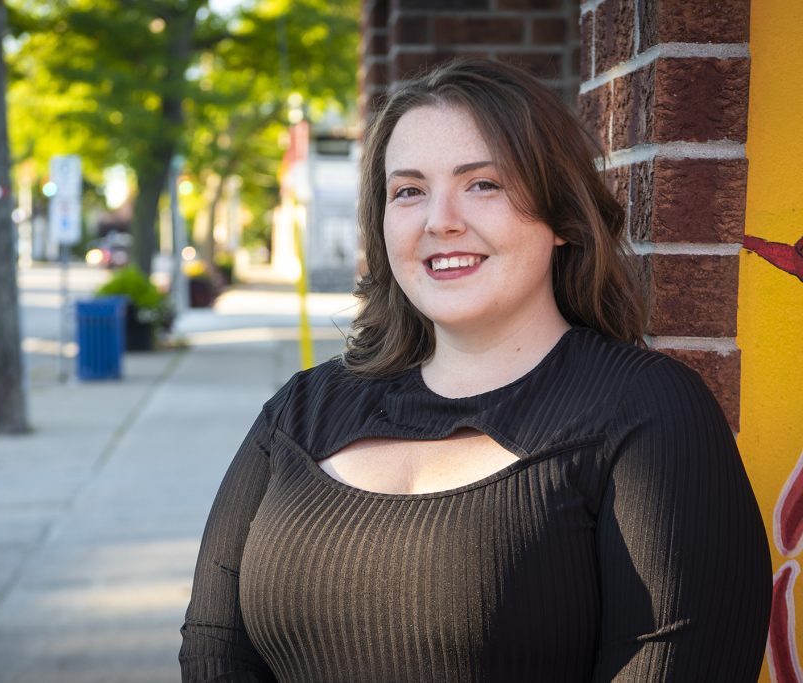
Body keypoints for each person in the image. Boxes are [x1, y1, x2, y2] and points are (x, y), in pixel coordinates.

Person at [179, 58, 772, 682]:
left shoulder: (649, 412)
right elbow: (214, 647)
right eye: (409, 190)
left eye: (482, 183)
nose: (440, 220)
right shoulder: (301, 412)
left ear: (561, 215)